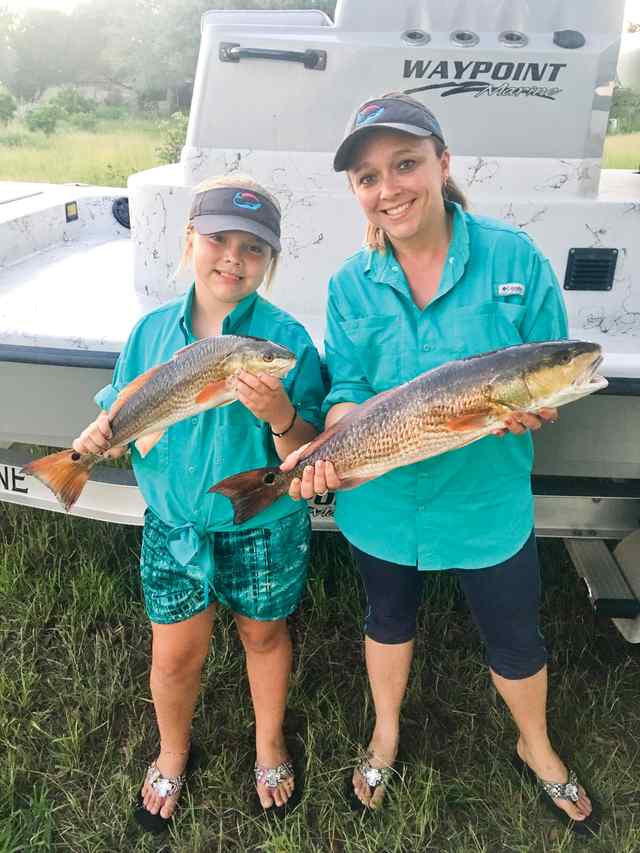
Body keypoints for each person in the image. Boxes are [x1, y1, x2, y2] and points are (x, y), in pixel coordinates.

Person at [283, 93, 599, 837]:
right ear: (355, 190)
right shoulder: (349, 282)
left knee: (515, 630)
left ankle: (538, 744)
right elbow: (351, 388)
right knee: (386, 616)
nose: (387, 187)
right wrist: (328, 449)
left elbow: (550, 361)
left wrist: (537, 405)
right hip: (383, 498)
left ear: (443, 164)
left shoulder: (514, 257)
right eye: (367, 176)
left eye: (404, 164)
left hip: (485, 499)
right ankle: (385, 733)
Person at [73, 175, 325, 832]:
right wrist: (102, 435)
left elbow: (306, 446)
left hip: (263, 524)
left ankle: (268, 741)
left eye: (253, 249)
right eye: (219, 240)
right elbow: (125, 414)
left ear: (270, 262)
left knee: (264, 635)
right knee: (175, 654)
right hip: (176, 525)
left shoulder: (283, 339)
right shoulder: (153, 331)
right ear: (190, 240)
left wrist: (280, 412)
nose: (232, 260)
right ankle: (173, 748)